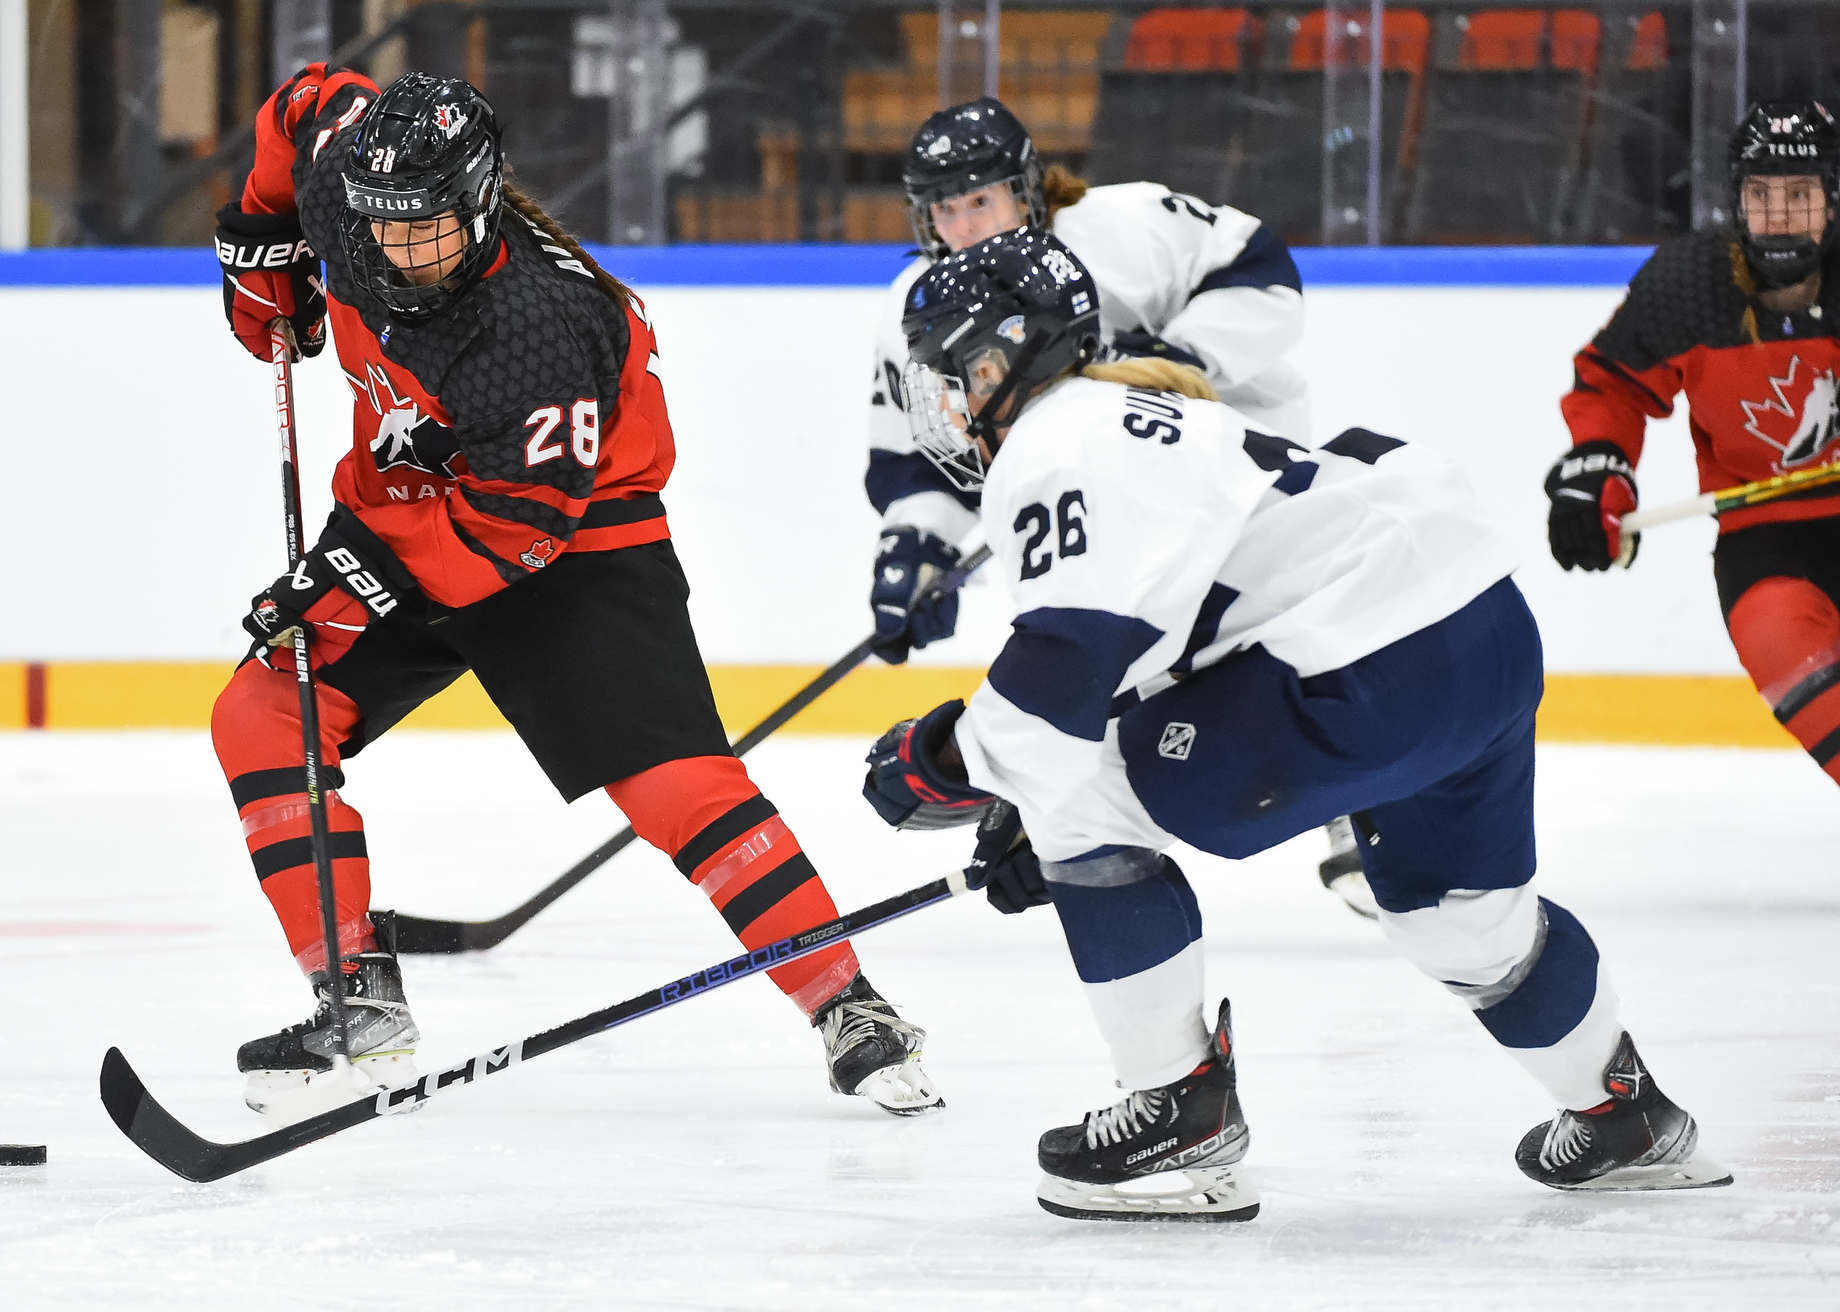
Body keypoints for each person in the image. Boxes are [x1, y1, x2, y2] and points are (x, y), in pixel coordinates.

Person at [861, 226, 1729, 1219]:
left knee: (1083, 789)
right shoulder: (1144, 410)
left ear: (1001, 355)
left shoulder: (1055, 437)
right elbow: (1157, 637)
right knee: (1456, 911)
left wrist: (938, 766)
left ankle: (1175, 1116)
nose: (944, 404)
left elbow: (1061, 668)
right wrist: (1025, 789)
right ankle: (1622, 1115)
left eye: (950, 374)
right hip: (1479, 626)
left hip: (1370, 657)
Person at [208, 65, 940, 1120]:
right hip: (411, 499)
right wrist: (261, 239)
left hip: (573, 537)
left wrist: (348, 578)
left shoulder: (538, 327)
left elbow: (506, 541)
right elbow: (299, 102)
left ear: (477, 200)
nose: (394, 255)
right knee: (262, 713)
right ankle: (355, 994)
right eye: (377, 230)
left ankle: (846, 1003)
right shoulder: (355, 185)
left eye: (425, 232)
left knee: (679, 787)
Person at [861, 97, 1369, 913]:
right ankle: (1078, 825)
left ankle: (1362, 805)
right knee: (1106, 649)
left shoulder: (1123, 227)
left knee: (1275, 632)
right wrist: (916, 547)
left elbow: (1263, 274)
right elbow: (923, 453)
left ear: (1028, 192)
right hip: (1095, 494)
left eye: (980, 200)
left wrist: (1171, 358)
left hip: (1228, 465)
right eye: (944, 209)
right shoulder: (917, 307)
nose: (963, 227)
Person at [1546, 100, 1840, 787]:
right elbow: (1608, 384)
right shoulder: (1688, 288)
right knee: (1787, 653)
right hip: (1767, 539)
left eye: (1801, 195)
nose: (1780, 215)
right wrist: (1598, 469)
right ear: (1736, 203)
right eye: (1760, 194)